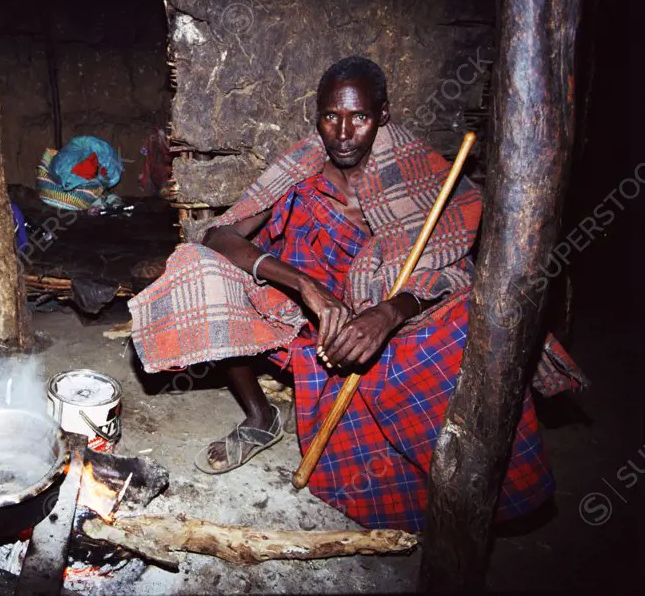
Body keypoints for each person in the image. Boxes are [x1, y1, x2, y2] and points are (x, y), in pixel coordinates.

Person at [129, 56, 585, 531]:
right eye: (331, 116)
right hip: (307, 314)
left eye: (360, 118)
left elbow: (457, 269)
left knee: (459, 330)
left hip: (391, 318)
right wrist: (305, 285)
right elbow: (220, 235)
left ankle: (472, 483)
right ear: (318, 116)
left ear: (382, 115)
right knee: (199, 269)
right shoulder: (301, 167)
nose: (343, 132)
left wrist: (389, 313)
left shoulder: (419, 170)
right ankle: (262, 416)